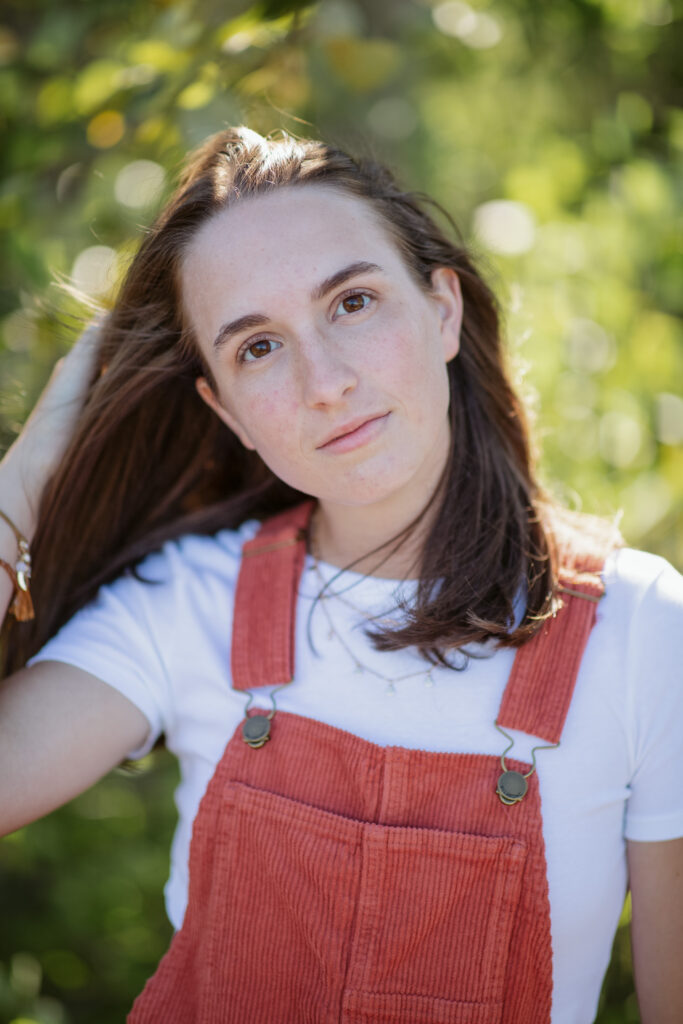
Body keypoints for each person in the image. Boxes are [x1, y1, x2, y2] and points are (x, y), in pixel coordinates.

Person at [0, 126, 681, 1024]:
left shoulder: (640, 631)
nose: (324, 382)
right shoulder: (187, 604)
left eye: (352, 302)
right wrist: (24, 479)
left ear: (442, 309)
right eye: (257, 348)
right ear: (226, 412)